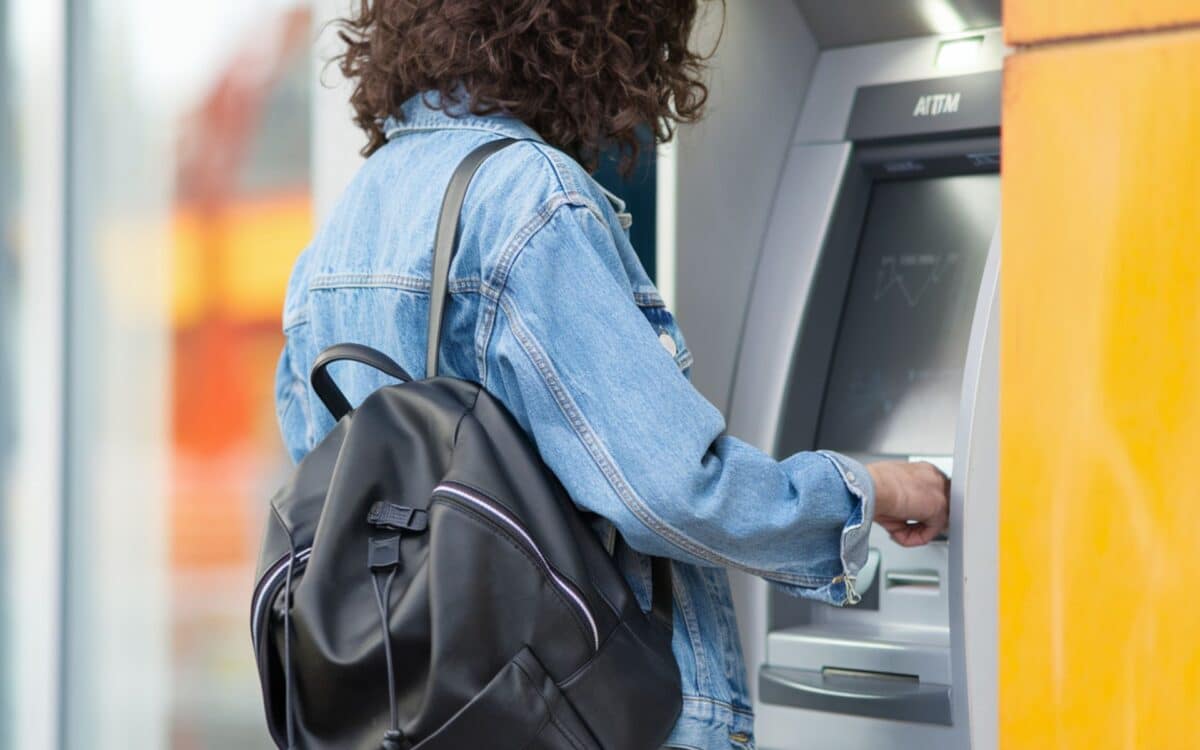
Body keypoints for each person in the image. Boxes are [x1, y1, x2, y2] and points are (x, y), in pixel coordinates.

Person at [275, 1, 950, 747]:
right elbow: (672, 490)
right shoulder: (529, 196)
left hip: (437, 717)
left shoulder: (337, 237)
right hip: (584, 717)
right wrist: (868, 492)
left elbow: (330, 495)